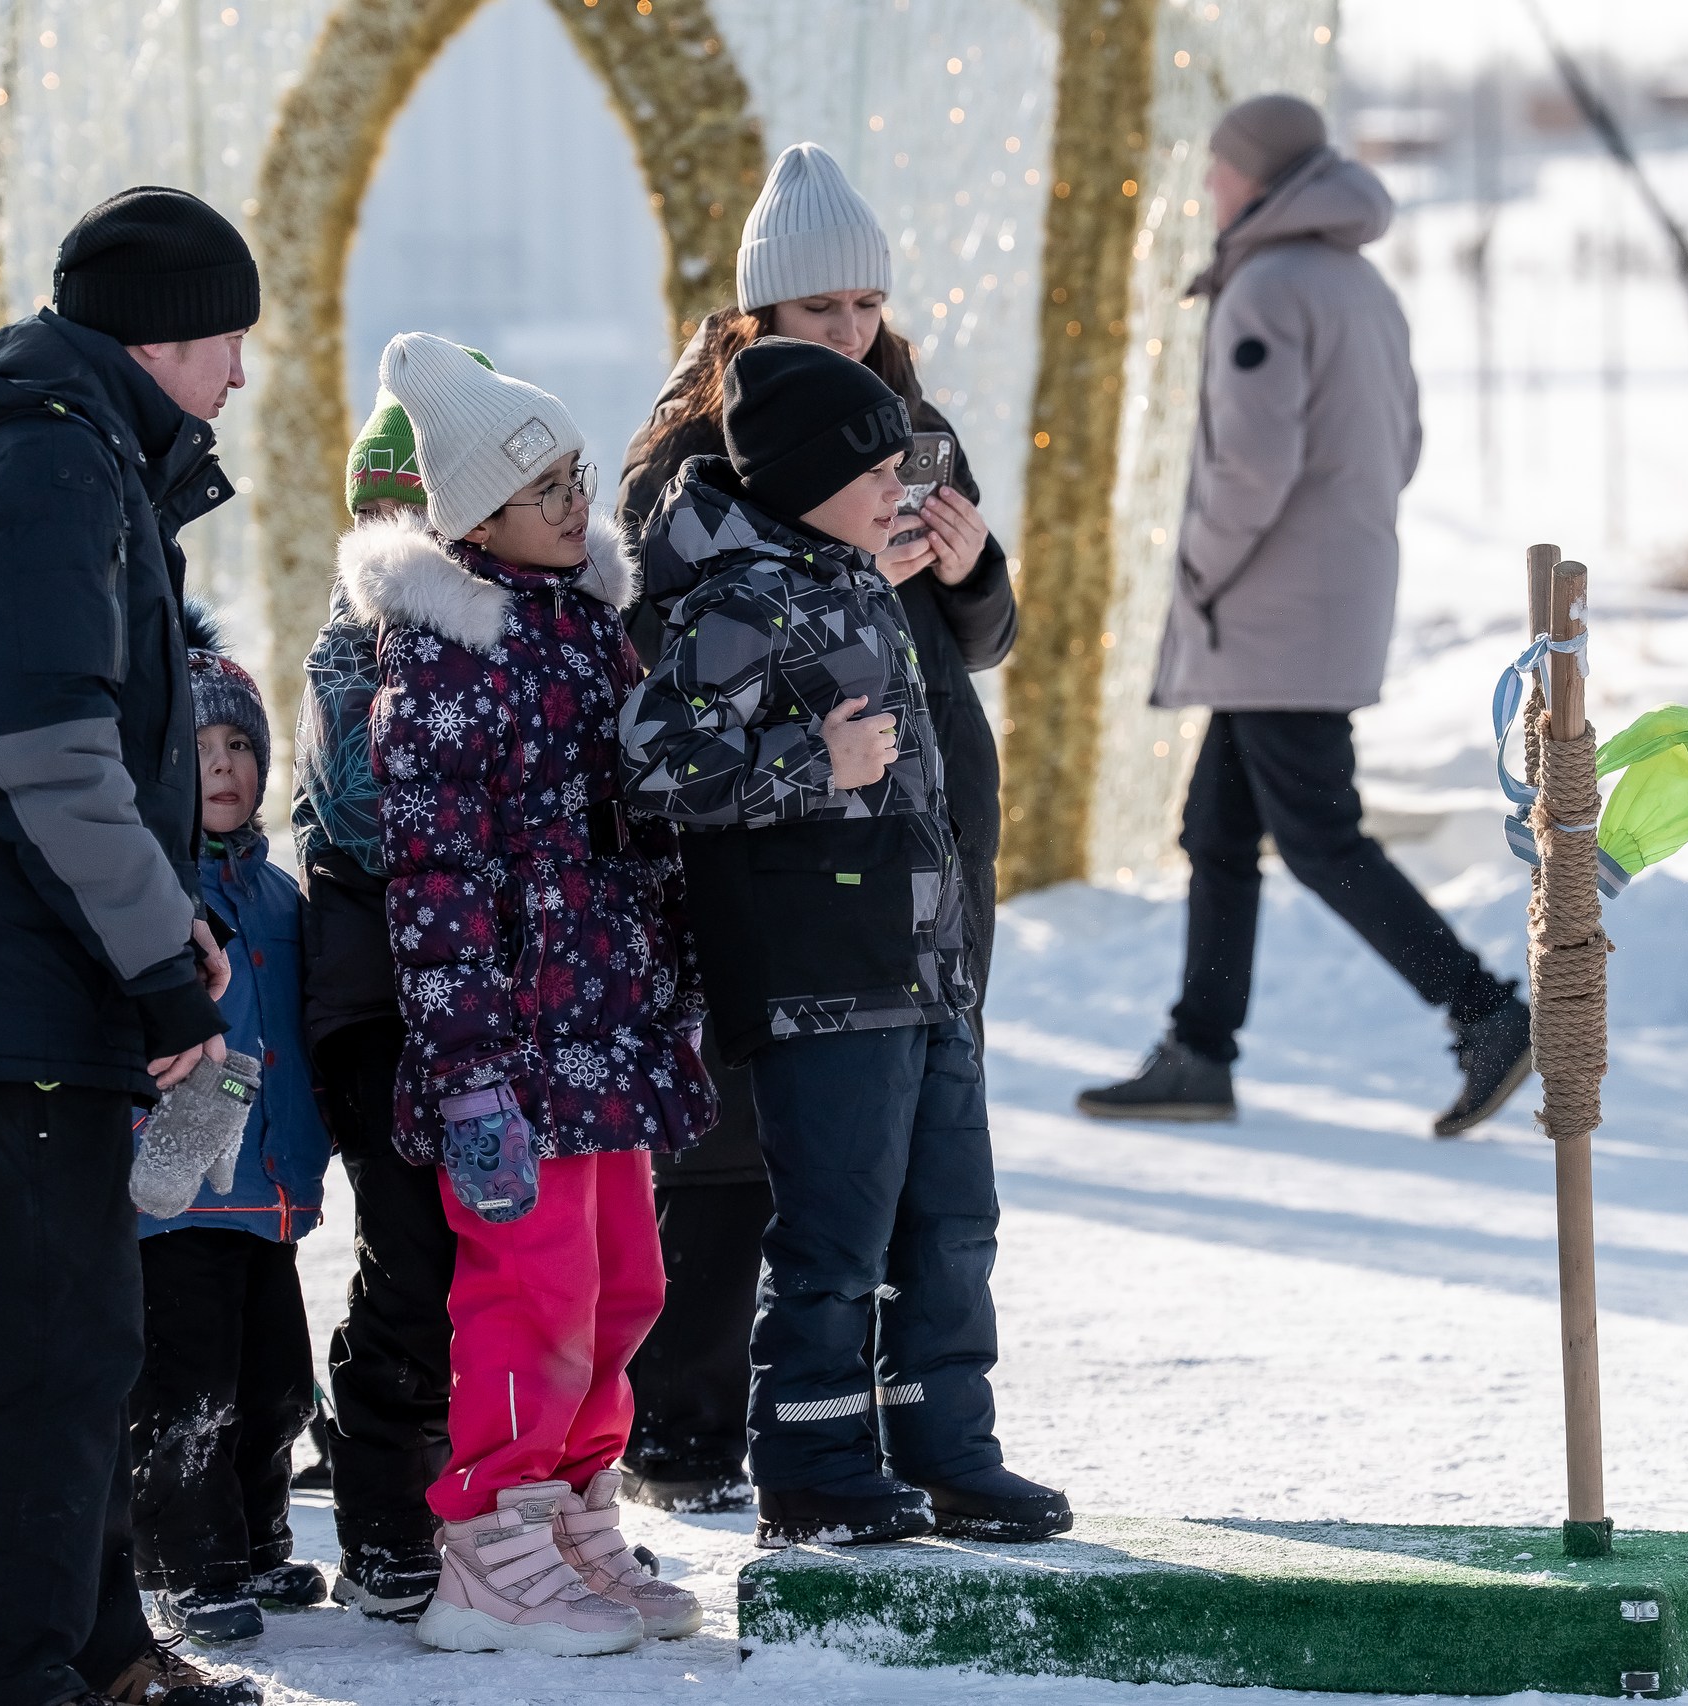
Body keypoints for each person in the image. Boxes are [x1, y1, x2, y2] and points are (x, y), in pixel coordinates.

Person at [0, 185, 262, 1706]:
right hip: (17, 993)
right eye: (228, 337)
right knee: (48, 1356)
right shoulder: (49, 468)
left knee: (85, 1342)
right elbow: (42, 753)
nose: (239, 372)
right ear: (160, 336)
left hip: (47, 982)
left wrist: (172, 924)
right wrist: (156, 964)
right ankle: (15, 1671)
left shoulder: (70, 451)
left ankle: (93, 1648)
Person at [613, 141, 1016, 1511]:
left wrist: (967, 569)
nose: (852, 332)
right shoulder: (710, 465)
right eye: (819, 310)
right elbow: (668, 699)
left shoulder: (908, 429)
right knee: (762, 1169)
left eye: (866, 305)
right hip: (794, 887)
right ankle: (717, 1430)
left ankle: (932, 1444)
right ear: (756, 321)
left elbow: (981, 637)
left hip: (923, 849)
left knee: (937, 1189)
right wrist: (831, 600)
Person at [1078, 94, 1534, 1137]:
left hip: (1267, 611)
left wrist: (1197, 567)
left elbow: (1252, 464)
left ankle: (1484, 1009)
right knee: (1217, 830)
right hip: (1326, 598)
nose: (1209, 187)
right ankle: (1199, 1048)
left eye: (1220, 169)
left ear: (1259, 178)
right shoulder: (1358, 284)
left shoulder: (1268, 288)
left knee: (1319, 836)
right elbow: (1401, 444)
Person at [356, 333, 713, 1655]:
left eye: (575, 472)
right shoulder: (447, 656)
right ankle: (487, 1535)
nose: (576, 500)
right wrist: (469, 1070)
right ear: (476, 519)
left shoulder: (590, 632)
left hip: (605, 1030)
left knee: (624, 1287)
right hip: (511, 1048)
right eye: (543, 485)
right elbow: (435, 879)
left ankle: (569, 1506)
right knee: (533, 1288)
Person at [293, 374, 485, 1621]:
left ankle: (482, 1501)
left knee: (499, 1260)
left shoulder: (507, 632)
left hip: (485, 1002)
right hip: (377, 1003)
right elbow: (361, 815)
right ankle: (379, 1507)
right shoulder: (343, 651)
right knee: (410, 1257)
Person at [125, 609, 332, 1646]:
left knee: (274, 1383)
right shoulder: (150, 895)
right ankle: (182, 1555)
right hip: (177, 1195)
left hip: (268, 1189)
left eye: (240, 744)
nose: (223, 767)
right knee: (189, 1382)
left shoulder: (284, 897)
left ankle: (256, 1536)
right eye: (198, 748)